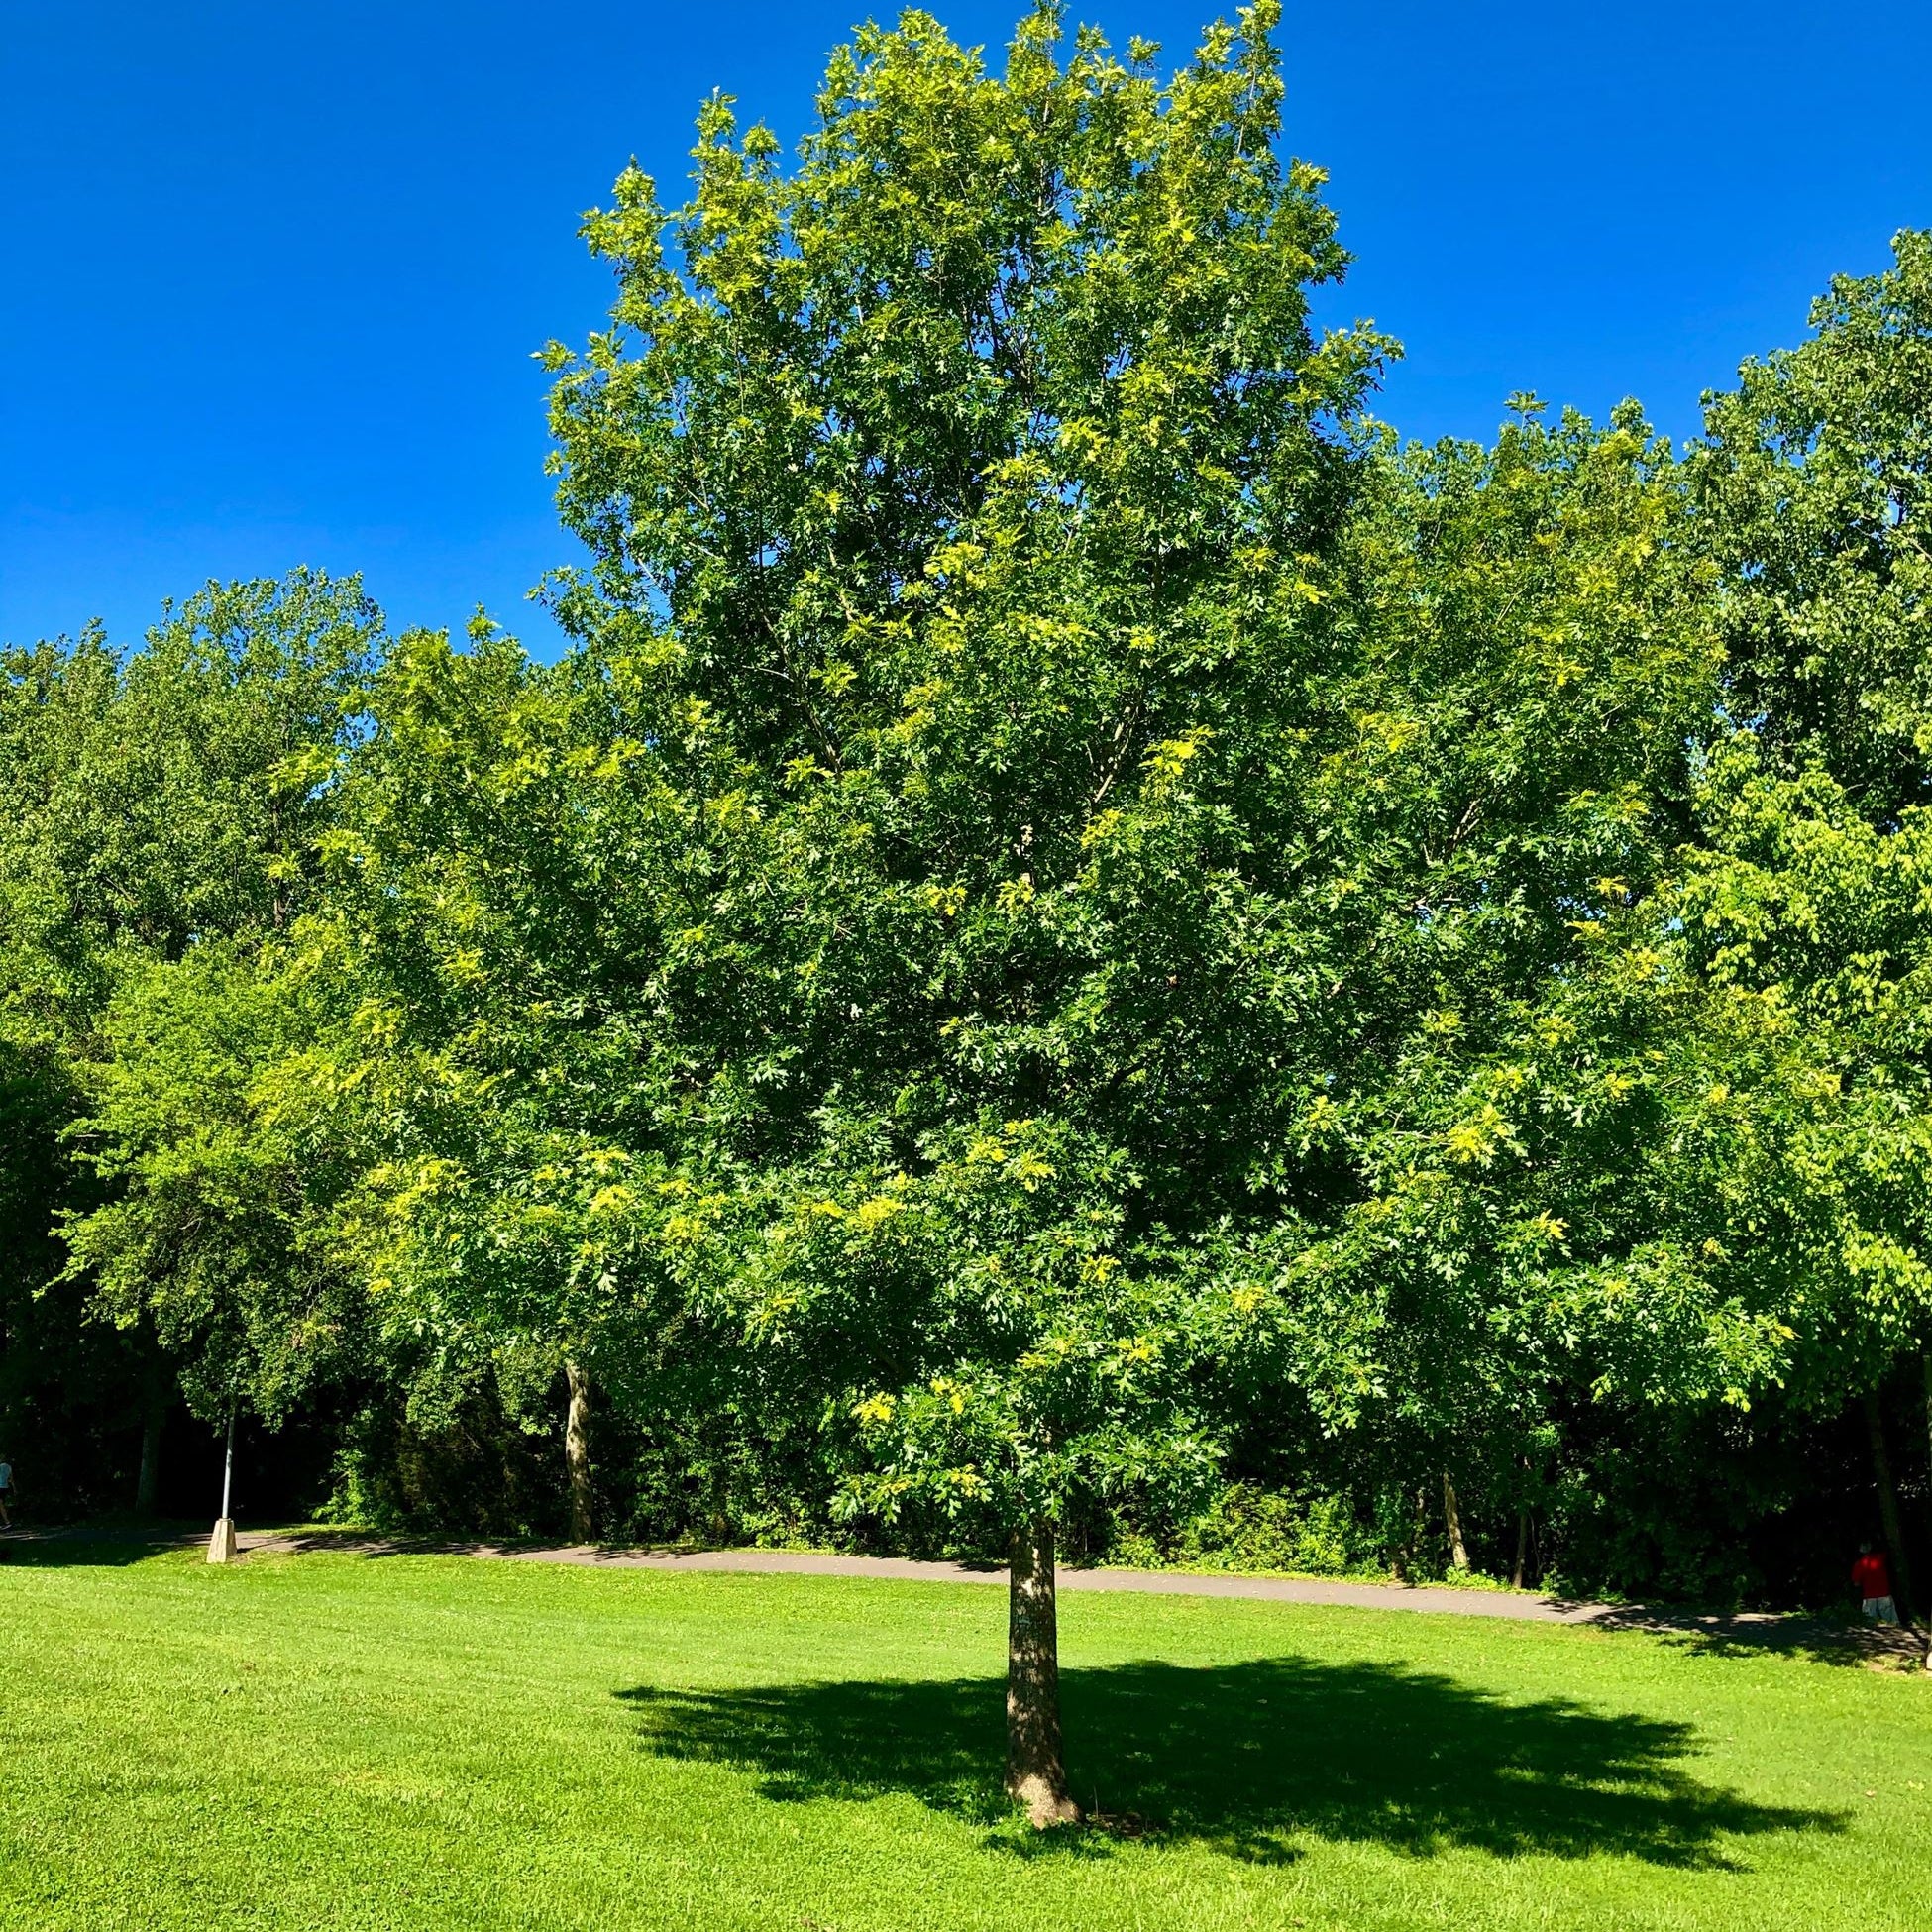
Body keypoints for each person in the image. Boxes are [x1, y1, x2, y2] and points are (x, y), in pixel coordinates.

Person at [1853, 1542, 1897, 1624]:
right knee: (1891, 1623)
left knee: (1870, 1623)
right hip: (1884, 1594)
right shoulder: (1880, 1558)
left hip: (1869, 1597)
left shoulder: (1859, 1564)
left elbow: (1856, 1583)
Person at [0, 1455, 12, 1530]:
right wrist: (14, 1488)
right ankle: (7, 1522)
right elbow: (11, 1479)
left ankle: (7, 1522)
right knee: (1, 1504)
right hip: (5, 1487)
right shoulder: (9, 1467)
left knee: (0, 1505)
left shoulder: (0, 1467)